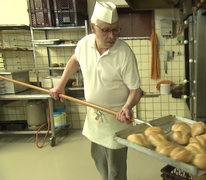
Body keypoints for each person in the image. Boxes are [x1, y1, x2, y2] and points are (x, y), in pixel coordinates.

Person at [49, 1, 143, 180]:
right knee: (99, 160)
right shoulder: (84, 44)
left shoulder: (124, 53)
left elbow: (136, 91)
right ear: (93, 28)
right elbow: (75, 61)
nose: (111, 36)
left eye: (115, 30)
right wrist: (61, 84)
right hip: (94, 117)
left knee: (115, 170)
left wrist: (128, 107)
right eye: (105, 30)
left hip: (117, 119)